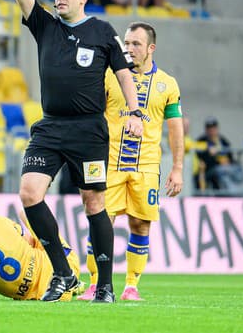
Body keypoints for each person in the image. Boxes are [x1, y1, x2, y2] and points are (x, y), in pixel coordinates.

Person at [0, 0, 143, 303]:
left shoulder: (102, 31)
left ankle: (107, 286)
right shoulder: (45, 25)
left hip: (88, 130)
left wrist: (135, 112)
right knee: (29, 194)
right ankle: (63, 273)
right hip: (50, 127)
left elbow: (124, 74)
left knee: (93, 204)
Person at [78, 21, 184, 302]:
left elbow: (175, 128)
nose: (129, 48)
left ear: (151, 48)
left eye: (136, 44)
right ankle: (95, 283)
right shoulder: (110, 76)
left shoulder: (168, 84)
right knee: (101, 221)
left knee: (140, 225)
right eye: (126, 43)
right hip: (109, 161)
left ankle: (131, 286)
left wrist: (177, 168)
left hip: (146, 166)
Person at [0, 202, 81, 300]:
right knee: (26, 213)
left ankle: (73, 285)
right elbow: (31, 242)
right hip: (65, 268)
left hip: (38, 296)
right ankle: (71, 280)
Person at [194, 117, 243, 190]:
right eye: (209, 129)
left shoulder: (222, 140)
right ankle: (233, 196)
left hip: (227, 167)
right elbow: (201, 159)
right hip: (212, 169)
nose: (212, 131)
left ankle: (238, 192)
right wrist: (211, 155)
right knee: (224, 176)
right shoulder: (201, 141)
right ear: (206, 130)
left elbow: (230, 155)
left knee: (238, 169)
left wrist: (228, 162)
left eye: (214, 128)